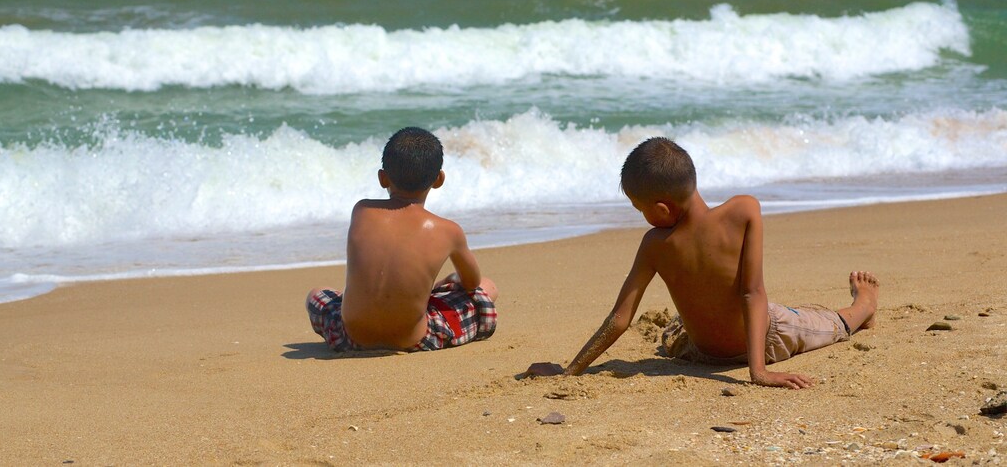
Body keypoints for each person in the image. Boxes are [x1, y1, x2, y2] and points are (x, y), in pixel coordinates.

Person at [524, 137, 878, 388]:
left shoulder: (655, 245)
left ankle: (864, 305)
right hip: (743, 343)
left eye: (640, 208)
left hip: (740, 342)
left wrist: (571, 370)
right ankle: (856, 306)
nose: (642, 216)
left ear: (662, 209)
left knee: (831, 324)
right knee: (791, 319)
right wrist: (758, 370)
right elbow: (751, 293)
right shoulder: (744, 210)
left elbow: (619, 318)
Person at [306, 127, 498, 352]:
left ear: (382, 177)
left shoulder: (361, 210)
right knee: (487, 287)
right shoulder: (449, 231)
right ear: (439, 179)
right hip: (413, 339)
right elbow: (472, 283)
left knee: (317, 293)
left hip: (348, 337)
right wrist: (452, 279)